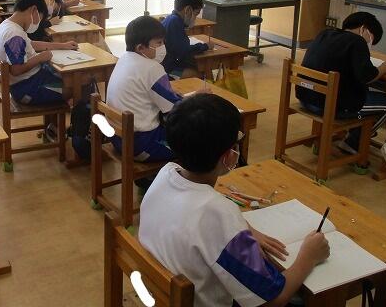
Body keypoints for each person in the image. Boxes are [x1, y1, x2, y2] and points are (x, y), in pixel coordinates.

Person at [139, 93, 330, 307]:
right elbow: (273, 300)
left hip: (161, 294)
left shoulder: (166, 174)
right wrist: (308, 257)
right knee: (300, 298)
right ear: (229, 155)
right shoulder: (218, 213)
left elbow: (204, 215)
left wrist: (244, 228)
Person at [297, 11, 386, 153]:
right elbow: (367, 76)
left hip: (306, 98)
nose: (369, 44)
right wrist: (384, 68)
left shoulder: (324, 33)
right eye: (371, 40)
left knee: (360, 93)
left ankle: (346, 136)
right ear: (363, 29)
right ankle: (353, 142)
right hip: (328, 107)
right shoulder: (357, 42)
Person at [106, 16, 185, 161]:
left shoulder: (124, 58)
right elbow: (174, 109)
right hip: (142, 144)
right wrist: (194, 99)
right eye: (159, 43)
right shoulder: (153, 68)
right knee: (196, 142)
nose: (163, 47)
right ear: (140, 48)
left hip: (117, 139)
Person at [0, 0, 77, 105]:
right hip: (27, 88)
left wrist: (62, 45)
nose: (38, 23)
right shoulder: (14, 34)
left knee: (66, 77)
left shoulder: (7, 25)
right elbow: (16, 69)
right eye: (40, 18)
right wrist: (40, 57)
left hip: (28, 82)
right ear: (33, 10)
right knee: (77, 86)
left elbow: (31, 44)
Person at [161, 0, 213, 78]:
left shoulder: (171, 18)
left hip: (168, 63)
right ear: (188, 10)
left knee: (196, 67)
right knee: (200, 75)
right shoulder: (175, 22)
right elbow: (184, 50)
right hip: (168, 69)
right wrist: (205, 46)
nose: (195, 18)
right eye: (196, 14)